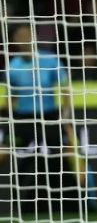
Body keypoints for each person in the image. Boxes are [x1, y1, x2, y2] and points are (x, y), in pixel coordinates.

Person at [3, 24, 82, 213]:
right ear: (14, 42)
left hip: (49, 116)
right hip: (23, 118)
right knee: (8, 153)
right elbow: (10, 97)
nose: (23, 40)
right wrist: (8, 117)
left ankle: (74, 200)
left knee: (62, 155)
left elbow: (65, 89)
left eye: (26, 35)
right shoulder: (12, 67)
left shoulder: (49, 60)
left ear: (33, 37)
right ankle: (19, 202)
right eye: (19, 37)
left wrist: (65, 115)